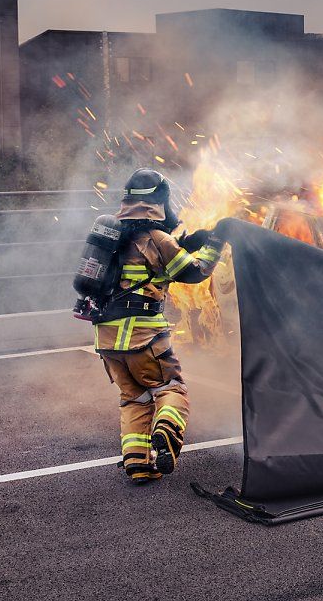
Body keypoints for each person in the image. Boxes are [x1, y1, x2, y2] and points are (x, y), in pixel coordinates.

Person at [94, 168, 224, 484]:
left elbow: (160, 253)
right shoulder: (157, 238)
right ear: (158, 202)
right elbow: (194, 272)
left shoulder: (110, 235)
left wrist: (188, 241)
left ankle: (138, 463)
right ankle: (167, 429)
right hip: (144, 336)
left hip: (107, 338)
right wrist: (214, 244)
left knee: (133, 398)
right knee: (170, 388)